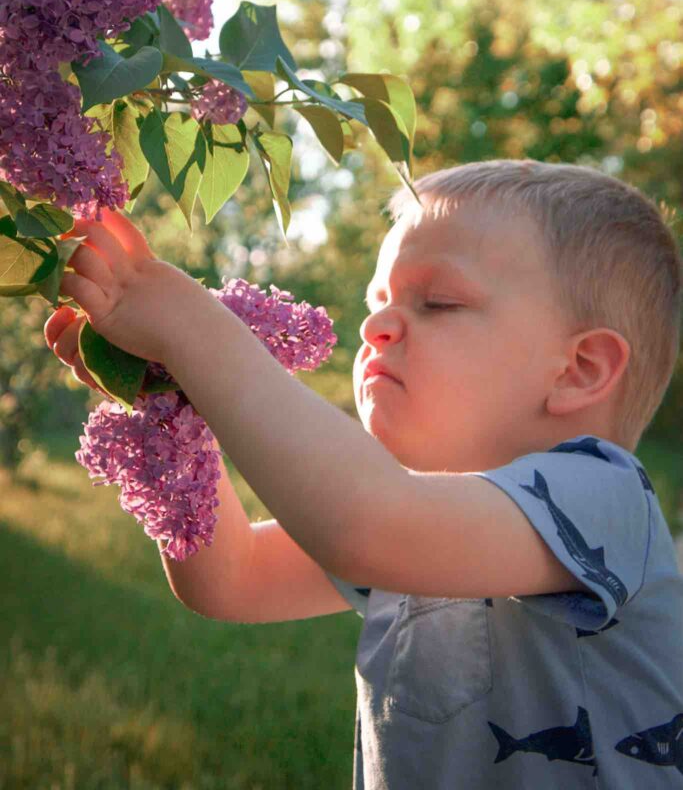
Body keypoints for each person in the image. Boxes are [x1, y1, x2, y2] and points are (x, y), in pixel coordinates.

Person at [44, 158, 683, 788]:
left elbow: (365, 523)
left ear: (579, 370)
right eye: (376, 302)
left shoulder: (606, 495)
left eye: (438, 302)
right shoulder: (423, 519)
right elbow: (231, 579)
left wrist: (193, 330)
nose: (374, 326)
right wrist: (169, 398)